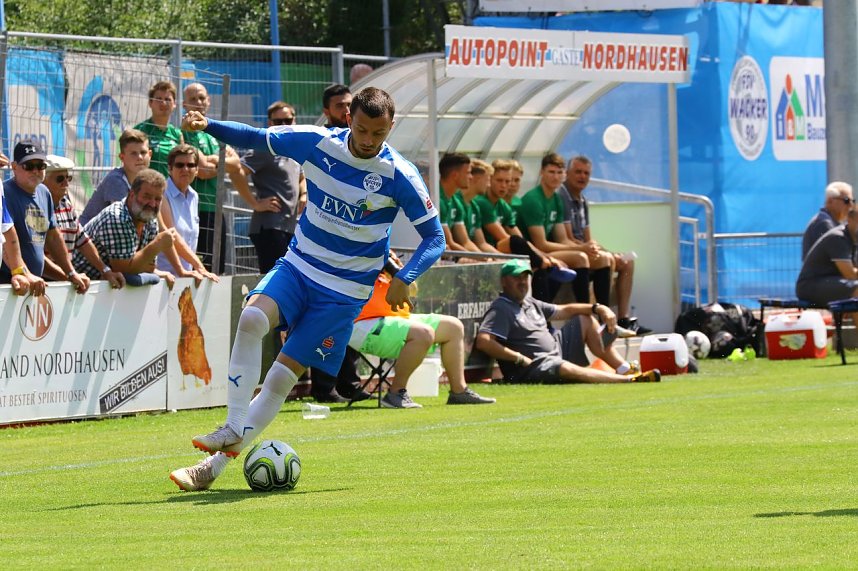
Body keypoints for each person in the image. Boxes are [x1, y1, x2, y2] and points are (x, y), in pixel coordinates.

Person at [170, 87, 445, 491]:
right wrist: (207, 125)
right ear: (348, 117)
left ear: (391, 128)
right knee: (250, 319)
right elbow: (254, 137)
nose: (369, 140)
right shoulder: (317, 142)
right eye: (363, 129)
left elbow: (434, 238)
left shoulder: (399, 174)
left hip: (344, 292)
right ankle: (232, 425)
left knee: (281, 378)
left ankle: (210, 469)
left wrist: (403, 279)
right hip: (300, 266)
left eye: (379, 134)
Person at [476, 259, 661, 384]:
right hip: (534, 365)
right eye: (517, 278)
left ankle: (623, 368)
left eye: (525, 277)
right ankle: (628, 381)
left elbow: (566, 310)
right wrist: (517, 358)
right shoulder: (501, 308)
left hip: (556, 351)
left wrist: (599, 308)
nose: (522, 282)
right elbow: (484, 342)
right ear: (504, 282)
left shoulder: (530, 302)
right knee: (561, 367)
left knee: (585, 319)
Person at [348, 253, 495, 408]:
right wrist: (376, 264)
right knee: (423, 333)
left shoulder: (386, 259)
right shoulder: (358, 258)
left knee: (453, 327)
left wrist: (398, 271)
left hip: (396, 319)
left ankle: (459, 391)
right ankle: (395, 393)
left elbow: (411, 290)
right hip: (363, 324)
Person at [559, 156, 651, 334]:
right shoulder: (561, 196)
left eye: (586, 173)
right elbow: (567, 239)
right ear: (567, 173)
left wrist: (608, 251)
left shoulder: (583, 201)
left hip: (583, 250)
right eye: (578, 172)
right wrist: (599, 252)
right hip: (569, 252)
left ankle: (623, 319)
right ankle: (603, 321)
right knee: (606, 259)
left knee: (625, 262)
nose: (582, 177)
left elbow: (588, 238)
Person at [0, 141, 89, 293]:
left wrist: (70, 272)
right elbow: (5, 237)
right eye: (28, 166)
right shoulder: (6, 193)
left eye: (40, 165)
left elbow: (53, 237)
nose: (35, 171)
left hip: (35, 282)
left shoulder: (44, 192)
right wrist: (22, 274)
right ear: (14, 167)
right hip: (11, 284)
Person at [182, 82, 251, 273]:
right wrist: (219, 162)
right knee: (197, 269)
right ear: (184, 104)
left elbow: (236, 164)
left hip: (216, 208)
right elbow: (202, 170)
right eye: (192, 99)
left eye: (201, 98)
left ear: (209, 101)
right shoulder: (184, 132)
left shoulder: (214, 133)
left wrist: (212, 161)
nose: (198, 102)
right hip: (193, 208)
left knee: (216, 269)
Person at [516, 153, 604, 304]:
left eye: (559, 173)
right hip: (532, 253)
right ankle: (585, 313)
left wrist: (585, 247)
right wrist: (581, 249)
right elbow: (541, 244)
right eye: (551, 172)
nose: (555, 177)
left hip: (546, 252)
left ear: (564, 175)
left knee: (602, 259)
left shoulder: (556, 199)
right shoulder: (533, 200)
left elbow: (562, 238)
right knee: (580, 258)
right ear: (541, 172)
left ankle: (605, 315)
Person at [74, 169, 179, 287]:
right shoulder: (117, 218)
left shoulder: (149, 217)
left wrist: (153, 270)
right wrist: (157, 244)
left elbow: (149, 267)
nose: (152, 204)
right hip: (78, 287)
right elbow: (124, 270)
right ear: (132, 195)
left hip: (105, 289)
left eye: (157, 199)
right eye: (147, 197)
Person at [240, 101, 306, 273]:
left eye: (288, 120)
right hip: (269, 227)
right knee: (275, 281)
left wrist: (303, 194)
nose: (283, 125)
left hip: (288, 226)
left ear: (294, 121)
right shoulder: (265, 148)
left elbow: (301, 176)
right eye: (278, 122)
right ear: (269, 123)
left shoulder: (294, 148)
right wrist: (255, 203)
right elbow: (237, 171)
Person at [42, 155, 125, 289]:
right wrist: (70, 275)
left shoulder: (66, 205)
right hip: (45, 280)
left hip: (66, 276)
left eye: (68, 178)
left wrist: (105, 270)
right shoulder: (37, 207)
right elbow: (36, 254)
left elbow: (82, 241)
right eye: (59, 179)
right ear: (43, 181)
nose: (66, 183)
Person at [156, 145, 218, 282]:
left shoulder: (194, 196)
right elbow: (172, 236)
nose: (185, 169)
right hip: (163, 279)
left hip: (186, 277)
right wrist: (200, 267)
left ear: (196, 170)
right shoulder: (161, 195)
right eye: (179, 165)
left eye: (190, 165)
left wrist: (195, 268)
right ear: (170, 169)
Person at [796, 207, 858, 325]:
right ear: (849, 220)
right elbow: (850, 274)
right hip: (810, 286)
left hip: (829, 283)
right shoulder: (838, 237)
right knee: (856, 288)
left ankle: (842, 338)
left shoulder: (853, 240)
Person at [80, 128, 152, 225]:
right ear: (122, 157)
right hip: (88, 237)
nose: (139, 157)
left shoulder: (146, 181)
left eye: (143, 152)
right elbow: (123, 221)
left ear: (150, 155)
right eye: (133, 153)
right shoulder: (115, 180)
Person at [134, 80, 183, 177]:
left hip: (171, 190)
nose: (163, 103)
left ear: (174, 104)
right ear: (150, 103)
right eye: (159, 99)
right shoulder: (140, 130)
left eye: (168, 99)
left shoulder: (177, 134)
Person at [801, 181, 854, 261]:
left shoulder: (828, 221)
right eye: (846, 200)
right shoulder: (824, 224)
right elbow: (839, 255)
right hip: (823, 273)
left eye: (852, 201)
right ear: (830, 201)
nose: (850, 205)